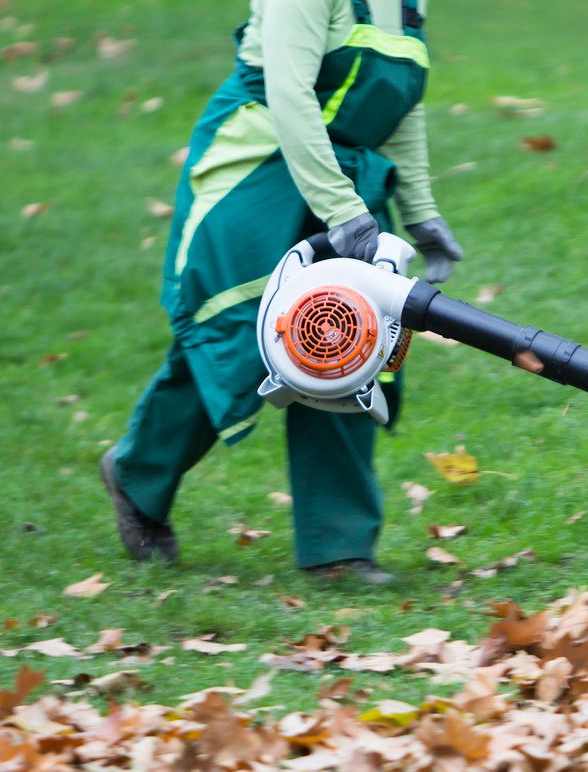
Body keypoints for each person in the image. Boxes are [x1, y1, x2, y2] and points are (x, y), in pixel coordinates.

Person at [101, 0, 462, 585]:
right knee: (240, 339)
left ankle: (338, 550)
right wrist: (342, 209)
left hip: (341, 176)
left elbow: (402, 106)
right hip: (258, 166)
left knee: (349, 341)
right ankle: (137, 474)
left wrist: (421, 213)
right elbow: (290, 96)